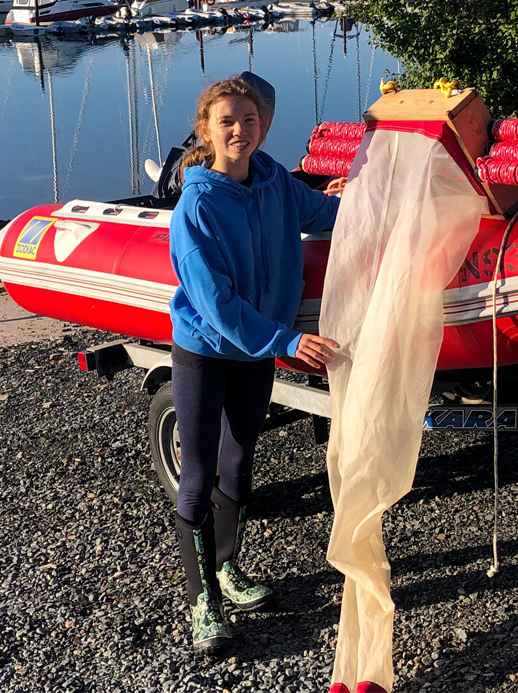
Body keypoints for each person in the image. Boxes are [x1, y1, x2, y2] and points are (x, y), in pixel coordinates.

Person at [169, 76, 343, 655]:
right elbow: (216, 306)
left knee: (240, 459)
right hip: (205, 350)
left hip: (257, 351)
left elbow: (327, 215)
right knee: (198, 472)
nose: (239, 130)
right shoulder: (196, 206)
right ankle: (203, 603)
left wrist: (381, 202)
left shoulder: (277, 183)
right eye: (227, 122)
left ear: (263, 127)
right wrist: (287, 342)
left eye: (249, 120)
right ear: (206, 131)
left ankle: (226, 570)